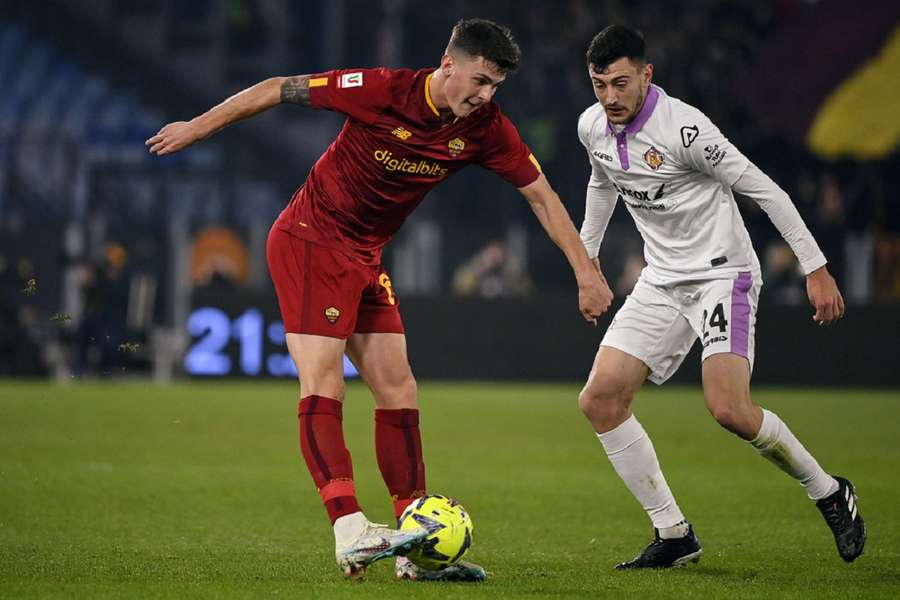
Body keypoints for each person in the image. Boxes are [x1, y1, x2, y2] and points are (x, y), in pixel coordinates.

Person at [147, 18, 613, 581]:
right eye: (481, 80)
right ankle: (349, 529)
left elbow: (541, 196)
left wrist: (586, 272)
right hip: (311, 238)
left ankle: (414, 545)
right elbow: (276, 87)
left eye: (495, 87)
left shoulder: (486, 127)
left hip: (366, 255)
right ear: (448, 65)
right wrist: (197, 127)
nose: (486, 96)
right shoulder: (382, 90)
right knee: (324, 380)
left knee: (398, 386)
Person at [575, 25, 865, 569]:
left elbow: (764, 188)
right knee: (599, 400)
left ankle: (829, 491)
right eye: (598, 85)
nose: (609, 98)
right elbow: (600, 184)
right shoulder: (592, 126)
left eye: (619, 83)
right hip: (661, 279)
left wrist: (816, 267)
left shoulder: (684, 130)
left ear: (646, 75)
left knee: (729, 409)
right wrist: (587, 264)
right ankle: (674, 533)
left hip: (721, 274)